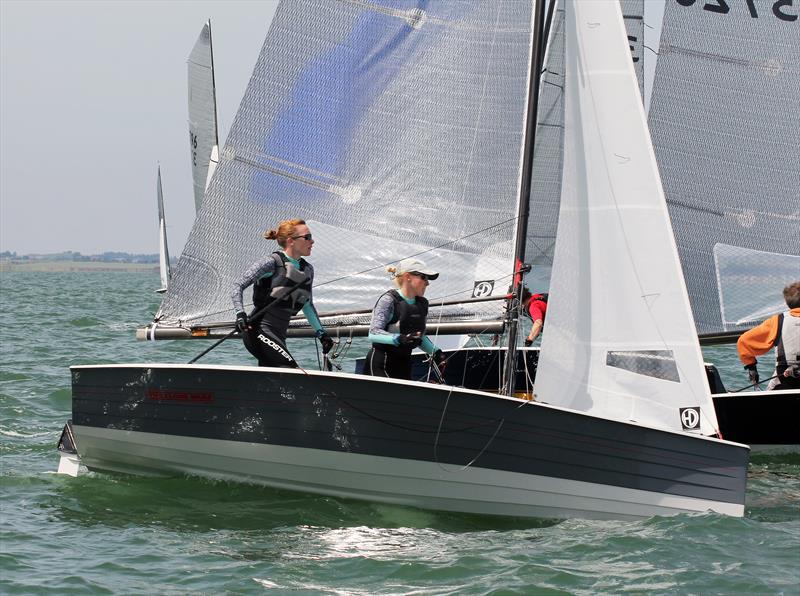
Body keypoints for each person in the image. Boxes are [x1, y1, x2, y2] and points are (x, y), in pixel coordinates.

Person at [231, 218, 333, 368]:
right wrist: (240, 314)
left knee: (272, 378)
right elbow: (237, 286)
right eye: (308, 237)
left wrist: (321, 334)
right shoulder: (271, 263)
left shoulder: (308, 270)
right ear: (291, 241)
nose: (312, 242)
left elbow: (307, 305)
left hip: (279, 335)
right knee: (290, 369)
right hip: (258, 331)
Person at [363, 257, 447, 380]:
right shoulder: (388, 300)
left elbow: (419, 337)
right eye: (423, 277)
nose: (427, 283)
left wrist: (436, 352)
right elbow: (373, 333)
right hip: (381, 364)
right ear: (408, 277)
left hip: (404, 365)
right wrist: (399, 338)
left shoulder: (422, 304)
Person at [737, 280, 800, 390]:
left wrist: (751, 367)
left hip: (785, 381)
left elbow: (744, 341)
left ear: (787, 302)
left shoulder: (777, 321)